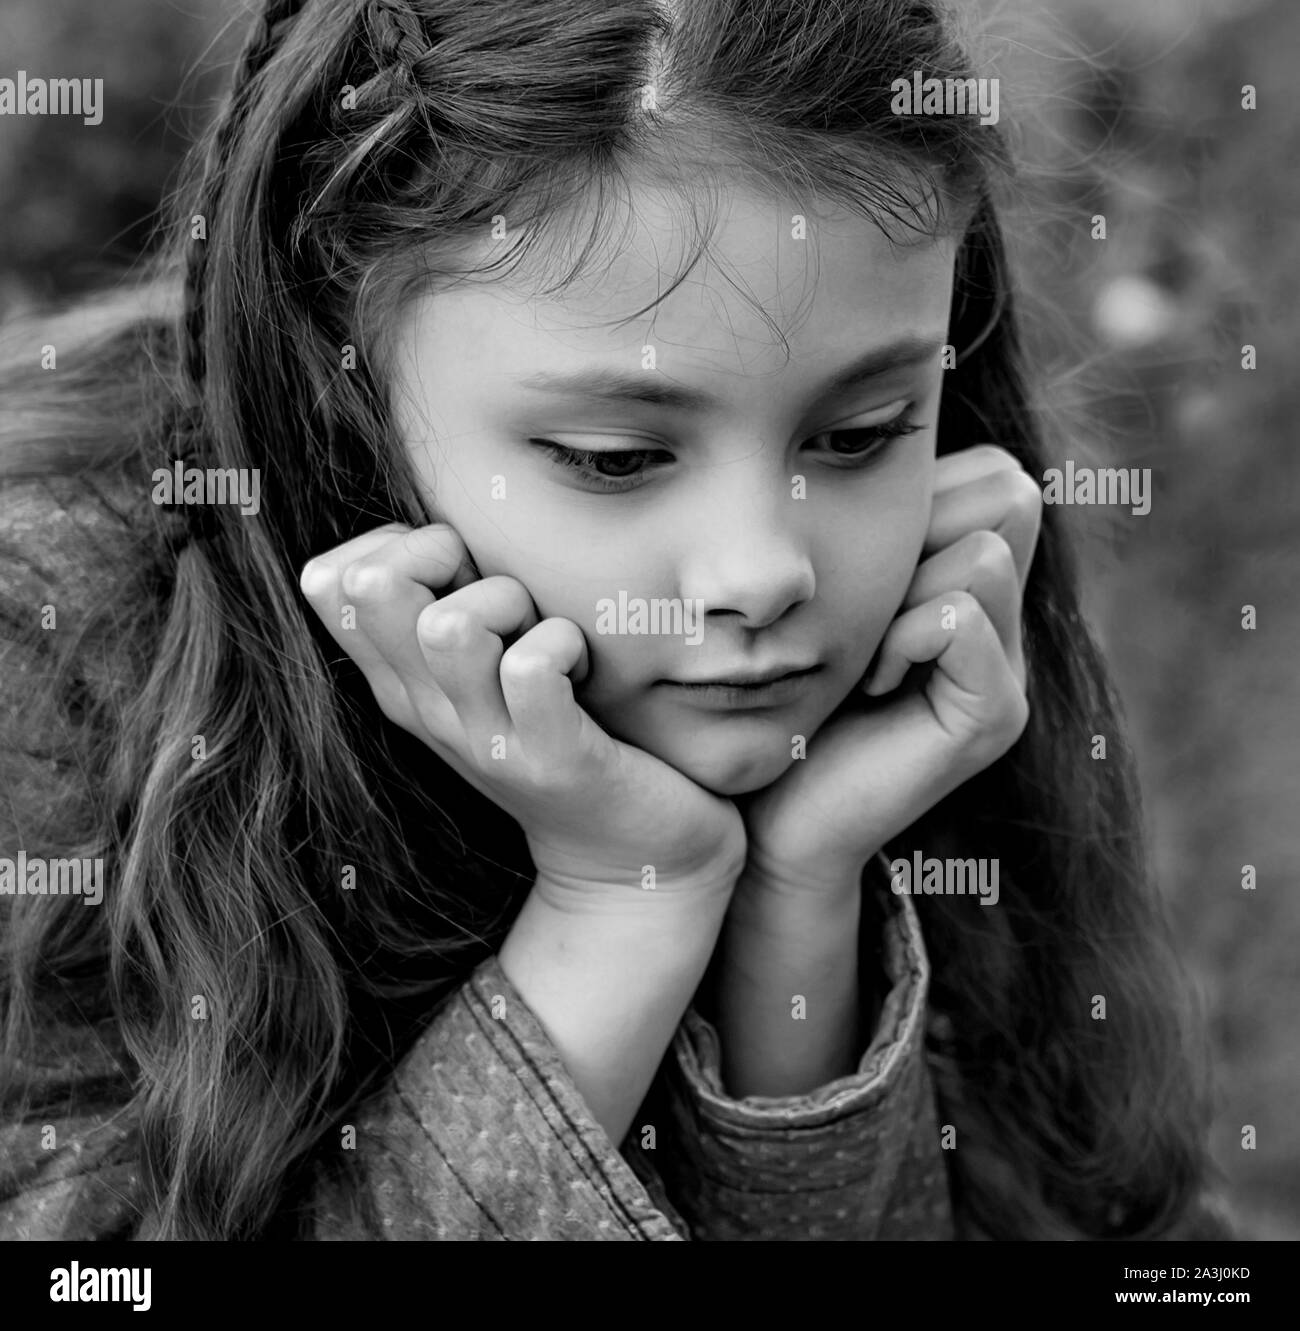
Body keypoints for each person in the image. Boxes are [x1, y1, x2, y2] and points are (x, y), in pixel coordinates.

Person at [0, 0, 1233, 1240]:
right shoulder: (43, 643)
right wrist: (621, 905)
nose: (763, 572)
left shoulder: (950, 670)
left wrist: (800, 903)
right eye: (616, 457)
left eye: (859, 435)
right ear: (340, 384)